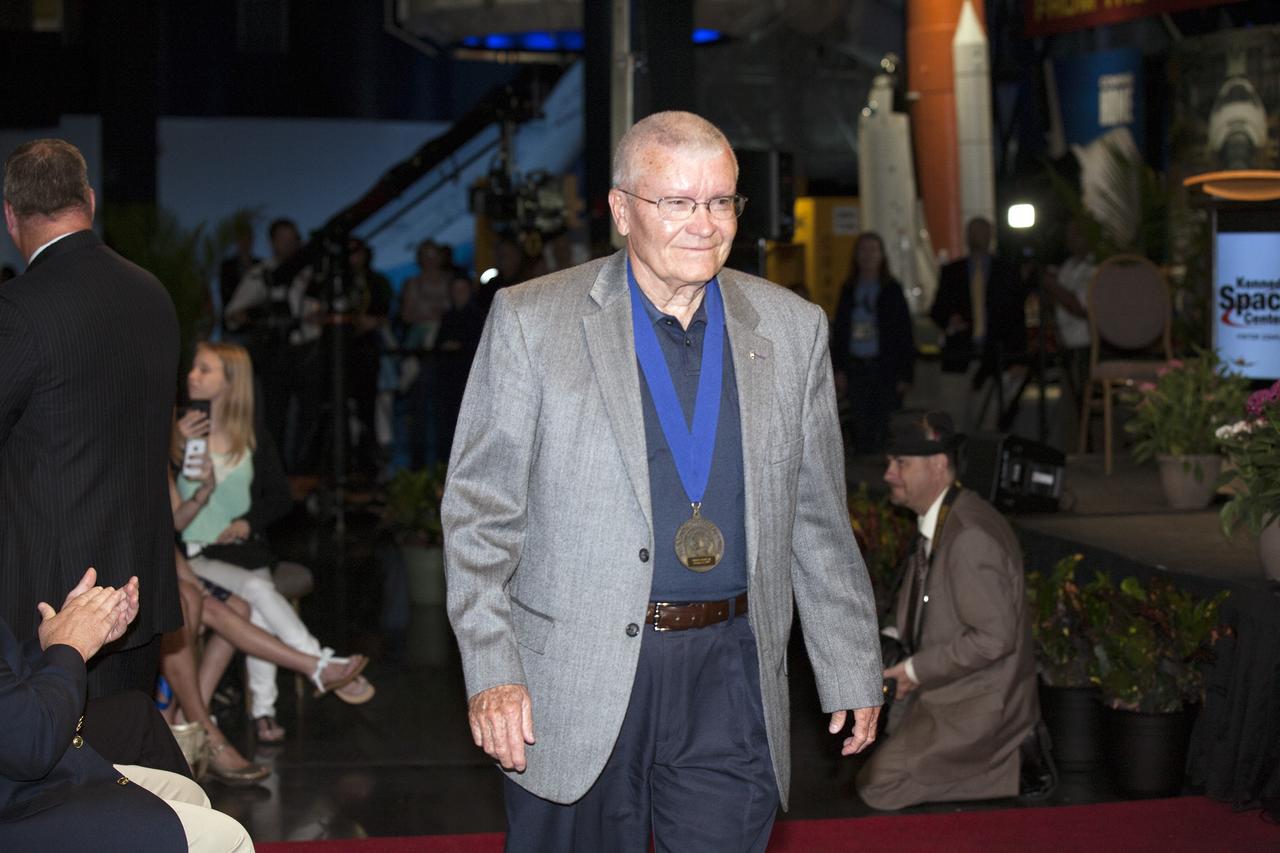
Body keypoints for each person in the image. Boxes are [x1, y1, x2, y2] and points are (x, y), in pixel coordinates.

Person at [444, 111, 883, 852]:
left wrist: (848, 660)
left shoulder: (792, 328)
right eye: (677, 202)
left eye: (721, 202)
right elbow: (479, 516)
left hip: (732, 672)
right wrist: (493, 671)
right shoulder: (531, 321)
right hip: (578, 676)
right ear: (621, 210)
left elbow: (816, 518)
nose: (704, 224)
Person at [0, 138, 183, 697]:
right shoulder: (152, 293)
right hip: (138, 586)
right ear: (90, 200)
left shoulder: (19, 309)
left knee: (54, 776)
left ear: (11, 216)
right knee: (126, 762)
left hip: (55, 602)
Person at [172, 342, 374, 743]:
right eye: (194, 368)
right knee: (259, 588)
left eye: (205, 370)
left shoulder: (251, 436)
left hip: (241, 551)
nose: (192, 376)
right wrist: (176, 445)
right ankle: (317, 665)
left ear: (231, 383)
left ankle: (266, 708)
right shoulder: (174, 433)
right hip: (191, 554)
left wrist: (247, 522)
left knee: (259, 597)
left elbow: (279, 498)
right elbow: (161, 510)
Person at [854, 410, 1055, 810]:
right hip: (949, 688)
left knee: (878, 786)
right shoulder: (948, 517)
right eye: (891, 463)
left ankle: (1017, 761)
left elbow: (994, 639)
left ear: (939, 466)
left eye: (901, 464)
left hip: (980, 702)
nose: (889, 474)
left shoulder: (969, 537)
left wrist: (912, 671)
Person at [0, 568, 254, 852]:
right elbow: (31, 744)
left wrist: (69, 631)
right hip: (17, 808)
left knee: (189, 794)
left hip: (23, 779)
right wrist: (69, 645)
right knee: (229, 837)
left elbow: (10, 685)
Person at [929, 217, 1027, 430]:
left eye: (982, 231)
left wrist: (1018, 357)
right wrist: (950, 320)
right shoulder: (952, 271)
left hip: (994, 358)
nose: (977, 236)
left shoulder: (1006, 271)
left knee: (989, 420)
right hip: (959, 356)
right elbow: (937, 310)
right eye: (973, 231)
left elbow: (1016, 317)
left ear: (990, 235)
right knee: (953, 421)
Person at [831, 231, 916, 454]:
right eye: (863, 250)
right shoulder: (849, 289)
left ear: (881, 255)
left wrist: (906, 374)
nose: (867, 255)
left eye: (873, 250)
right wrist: (838, 368)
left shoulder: (891, 290)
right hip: (856, 368)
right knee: (860, 425)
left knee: (885, 426)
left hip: (885, 369)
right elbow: (839, 332)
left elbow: (904, 334)